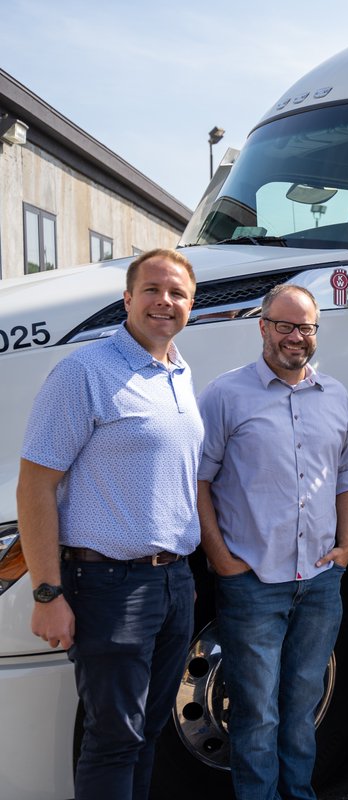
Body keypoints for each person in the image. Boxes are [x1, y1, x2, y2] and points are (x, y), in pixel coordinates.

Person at [17, 249, 203, 800]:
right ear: (127, 298)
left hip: (174, 583)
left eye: (177, 293)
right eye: (152, 289)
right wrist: (47, 592)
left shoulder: (179, 372)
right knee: (113, 740)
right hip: (110, 587)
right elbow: (35, 486)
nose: (164, 302)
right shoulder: (84, 371)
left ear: (191, 306)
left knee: (147, 734)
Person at [196, 283, 348, 800]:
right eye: (285, 325)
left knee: (302, 706)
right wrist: (220, 558)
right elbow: (196, 480)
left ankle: (300, 793)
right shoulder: (226, 394)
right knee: (257, 712)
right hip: (252, 583)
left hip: (319, 581)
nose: (297, 336)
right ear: (263, 327)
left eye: (306, 327)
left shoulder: (334, 395)